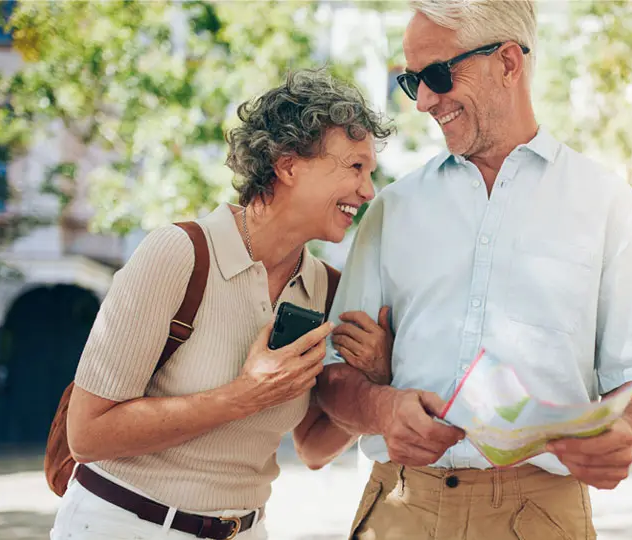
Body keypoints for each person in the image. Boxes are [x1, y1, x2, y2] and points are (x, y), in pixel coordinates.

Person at [316, 1, 632, 538]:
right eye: (412, 81)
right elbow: (332, 378)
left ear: (509, 64)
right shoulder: (392, 209)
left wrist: (622, 434)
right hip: (399, 508)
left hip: (539, 515)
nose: (423, 101)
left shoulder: (609, 205)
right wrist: (378, 408)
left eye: (438, 76)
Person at [50, 69, 394, 540]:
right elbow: (86, 435)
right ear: (288, 166)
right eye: (355, 167)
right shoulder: (179, 254)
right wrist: (241, 397)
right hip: (124, 524)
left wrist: (377, 377)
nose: (368, 191)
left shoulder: (327, 289)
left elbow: (313, 448)